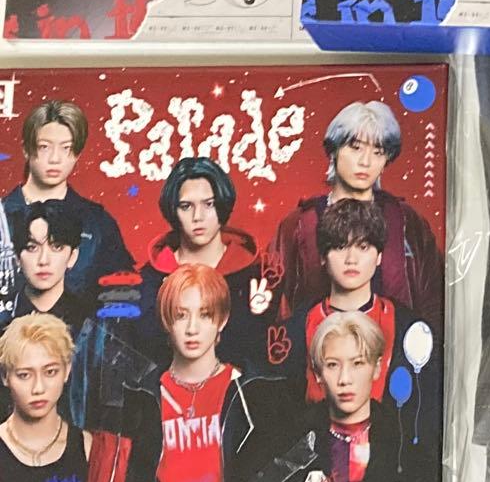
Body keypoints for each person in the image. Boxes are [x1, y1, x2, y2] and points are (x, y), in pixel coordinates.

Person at [120, 266, 285, 482]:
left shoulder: (246, 389)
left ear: (222, 320)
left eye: (205, 315)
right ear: (166, 321)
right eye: (181, 315)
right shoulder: (146, 394)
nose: (192, 328)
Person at [252, 311, 417, 482]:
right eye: (332, 365)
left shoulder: (401, 439)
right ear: (317, 373)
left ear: (377, 367)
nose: (344, 379)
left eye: (357, 363)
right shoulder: (294, 439)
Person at [267, 101, 443, 324]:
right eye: (356, 147)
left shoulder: (405, 220)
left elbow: (434, 300)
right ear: (334, 151)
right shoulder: (301, 224)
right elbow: (277, 306)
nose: (366, 162)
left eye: (378, 152)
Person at [0, 314, 126, 482]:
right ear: (5, 376)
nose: (38, 388)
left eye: (50, 372)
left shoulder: (96, 452)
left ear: (67, 370)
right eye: (24, 375)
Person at [137, 158, 266, 373]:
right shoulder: (149, 281)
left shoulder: (257, 276)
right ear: (173, 211)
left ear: (222, 205)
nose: (198, 217)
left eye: (209, 204)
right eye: (186, 206)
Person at [285, 200, 414, 405]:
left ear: (379, 256)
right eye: (340, 246)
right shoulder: (297, 328)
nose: (351, 259)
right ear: (323, 257)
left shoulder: (407, 327)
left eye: (363, 247)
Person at [3, 101, 132, 298]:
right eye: (44, 147)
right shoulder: (3, 215)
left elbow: (123, 292)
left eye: (66, 148)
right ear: (26, 149)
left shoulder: (97, 222)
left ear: (77, 154)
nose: (55, 158)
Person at [4, 201, 90, 338]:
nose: (43, 260)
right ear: (17, 257)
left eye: (56, 247)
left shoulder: (89, 320)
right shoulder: (4, 315)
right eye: (32, 247)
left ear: (72, 256)